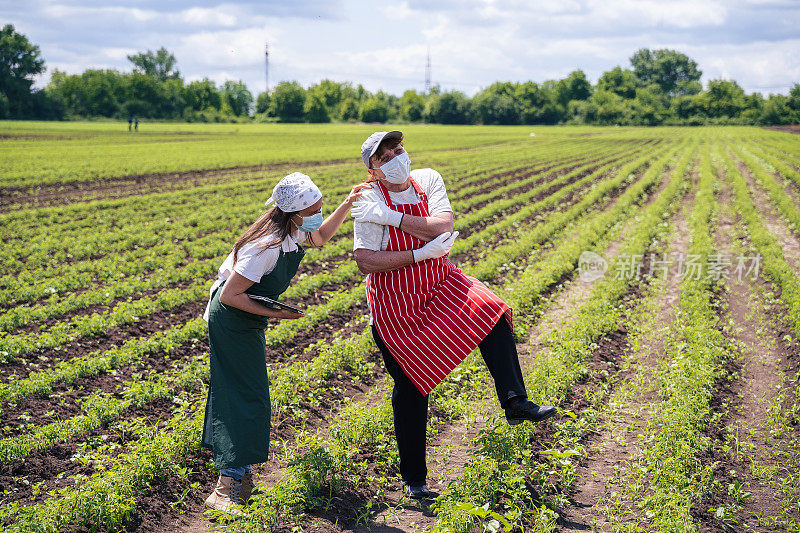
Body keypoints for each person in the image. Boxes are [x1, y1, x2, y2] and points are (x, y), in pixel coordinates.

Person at [351, 131, 557, 500]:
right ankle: (415, 479)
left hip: (439, 282)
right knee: (411, 387)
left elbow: (442, 226)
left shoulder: (428, 179)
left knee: (489, 310)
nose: (397, 156)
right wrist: (419, 253)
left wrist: (392, 219)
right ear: (374, 169)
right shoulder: (367, 199)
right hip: (397, 302)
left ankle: (514, 401)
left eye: (398, 149)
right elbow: (366, 261)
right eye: (385, 156)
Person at [201, 172, 370, 515]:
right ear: (295, 213)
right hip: (231, 319)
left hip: (246, 317)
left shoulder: (293, 230)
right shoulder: (268, 246)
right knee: (245, 396)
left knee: (246, 393)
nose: (319, 213)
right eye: (315, 209)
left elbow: (320, 237)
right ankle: (223, 489)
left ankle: (241, 478)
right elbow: (232, 295)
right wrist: (278, 314)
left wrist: (348, 202)